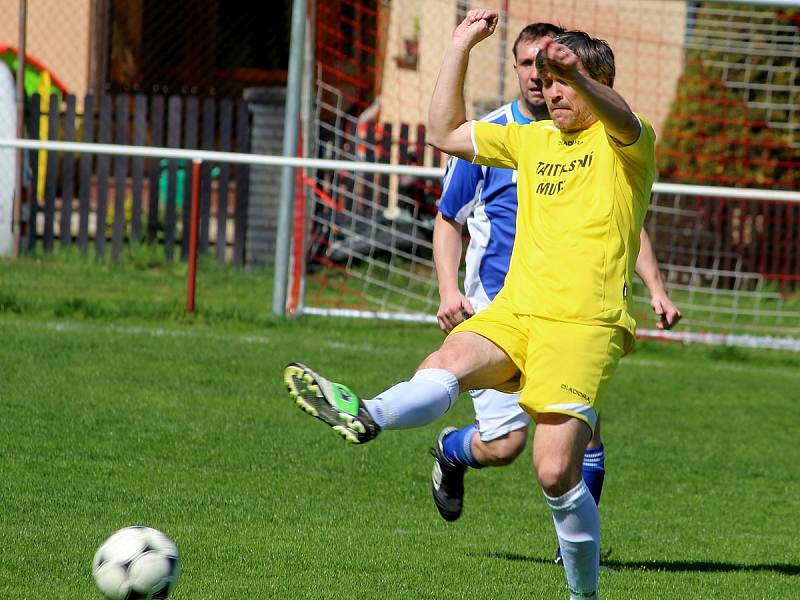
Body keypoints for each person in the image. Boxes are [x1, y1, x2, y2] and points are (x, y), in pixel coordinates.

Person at [286, 8, 660, 599]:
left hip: (583, 326)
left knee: (553, 471)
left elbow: (621, 116)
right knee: (444, 364)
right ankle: (368, 414)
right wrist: (459, 46)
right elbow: (444, 133)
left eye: (563, 80)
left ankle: (583, 596)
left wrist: (582, 77)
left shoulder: (624, 145)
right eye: (547, 77)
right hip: (517, 310)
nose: (551, 89)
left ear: (597, 84)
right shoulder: (531, 138)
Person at [430, 21, 682, 572]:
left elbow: (620, 221)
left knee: (581, 435)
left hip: (575, 316)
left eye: (546, 69)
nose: (538, 80)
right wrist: (449, 289)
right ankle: (452, 450)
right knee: (506, 446)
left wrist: (655, 287)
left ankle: (570, 545)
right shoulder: (501, 133)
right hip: (503, 308)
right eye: (527, 67)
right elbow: (448, 216)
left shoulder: (601, 135)